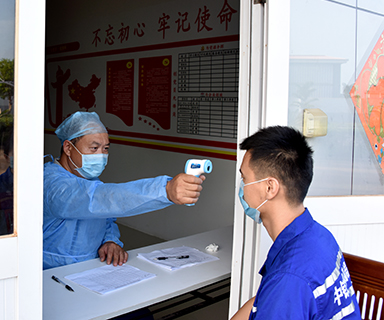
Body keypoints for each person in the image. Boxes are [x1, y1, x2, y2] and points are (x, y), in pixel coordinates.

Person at [43, 111, 205, 270]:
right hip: (51, 272)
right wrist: (165, 190)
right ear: (68, 148)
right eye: (94, 148)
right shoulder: (52, 184)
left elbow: (106, 217)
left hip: (90, 268)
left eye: (105, 148)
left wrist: (110, 240)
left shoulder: (88, 179)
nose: (101, 155)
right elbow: (99, 200)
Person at [231, 126, 359, 320]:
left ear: (270, 188)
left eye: (244, 178)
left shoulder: (290, 278)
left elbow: (284, 291)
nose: (242, 186)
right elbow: (265, 300)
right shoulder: (317, 234)